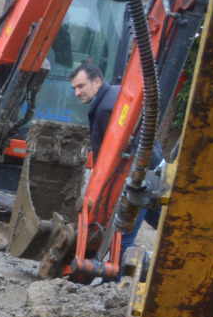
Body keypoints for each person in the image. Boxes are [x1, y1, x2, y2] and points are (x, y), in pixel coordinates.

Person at [69, 63, 163, 264]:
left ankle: (111, 287)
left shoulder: (106, 109)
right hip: (152, 170)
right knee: (168, 224)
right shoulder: (115, 95)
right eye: (74, 88)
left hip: (142, 175)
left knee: (122, 235)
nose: (77, 92)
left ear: (97, 82)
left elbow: (123, 151)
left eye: (81, 86)